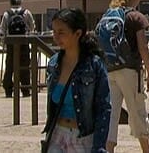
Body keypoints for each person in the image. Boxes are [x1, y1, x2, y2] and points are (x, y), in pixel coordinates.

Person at [43, 8, 111, 153]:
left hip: (82, 138)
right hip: (56, 135)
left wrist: (99, 146)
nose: (56, 37)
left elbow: (103, 108)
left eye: (61, 32)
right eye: (54, 32)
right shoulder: (54, 64)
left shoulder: (93, 65)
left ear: (78, 33)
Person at [99, 0, 149, 153]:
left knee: (111, 113)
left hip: (110, 69)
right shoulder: (136, 16)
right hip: (130, 70)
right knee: (137, 110)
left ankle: (108, 149)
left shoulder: (109, 14)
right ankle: (146, 150)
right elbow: (143, 47)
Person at [0, 0, 35, 97]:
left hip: (11, 43)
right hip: (24, 43)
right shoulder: (26, 12)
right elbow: (32, 27)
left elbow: (2, 29)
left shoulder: (6, 13)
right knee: (25, 66)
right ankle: (26, 89)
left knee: (9, 67)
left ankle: (8, 89)